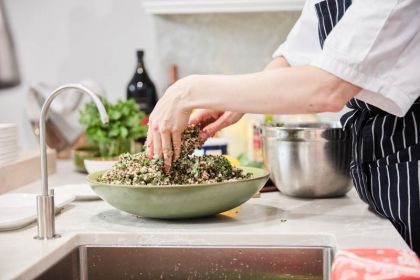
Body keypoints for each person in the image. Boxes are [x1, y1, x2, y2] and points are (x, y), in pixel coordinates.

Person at [145, 0, 420, 255]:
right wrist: (233, 103)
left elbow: (328, 87)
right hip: (385, 177)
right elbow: (297, 56)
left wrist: (189, 90)